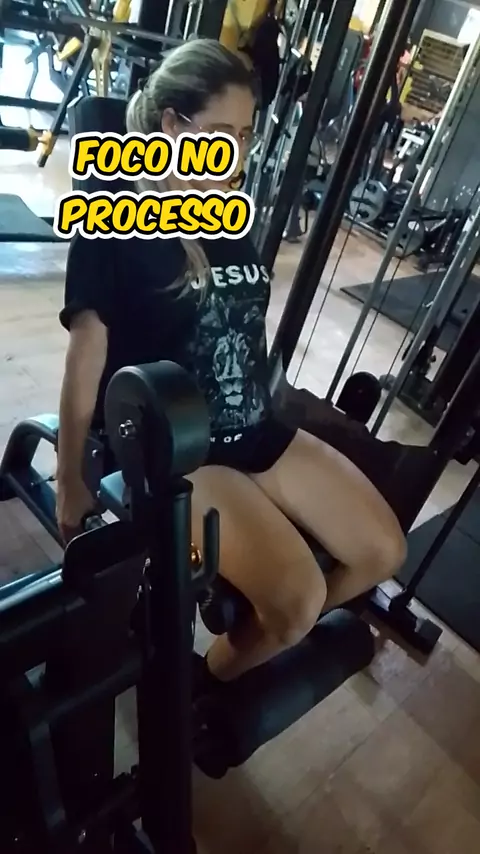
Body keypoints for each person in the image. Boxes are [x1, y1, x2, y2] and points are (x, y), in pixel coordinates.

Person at [56, 38, 406, 687]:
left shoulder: (227, 216)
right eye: (222, 134)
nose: (237, 153)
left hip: (255, 427)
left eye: (245, 135)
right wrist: (69, 476)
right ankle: (205, 689)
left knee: (383, 551)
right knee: (298, 600)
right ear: (172, 126)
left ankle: (253, 644)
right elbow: (86, 355)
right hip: (180, 448)